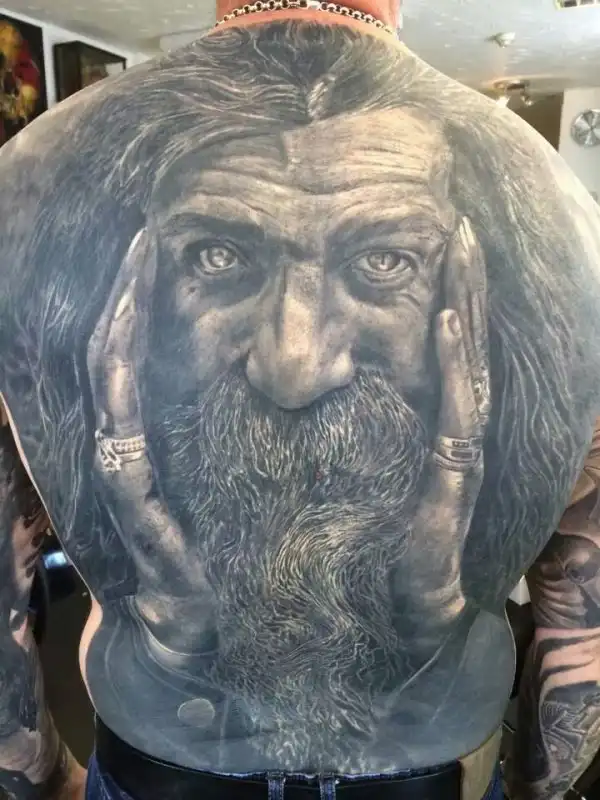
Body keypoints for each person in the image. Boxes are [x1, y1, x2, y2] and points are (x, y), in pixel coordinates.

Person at [0, 0, 600, 798]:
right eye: (217, 255)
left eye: (385, 261)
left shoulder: (25, 174)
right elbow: (581, 614)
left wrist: (42, 784)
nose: (295, 367)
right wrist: (539, 788)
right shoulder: (572, 211)